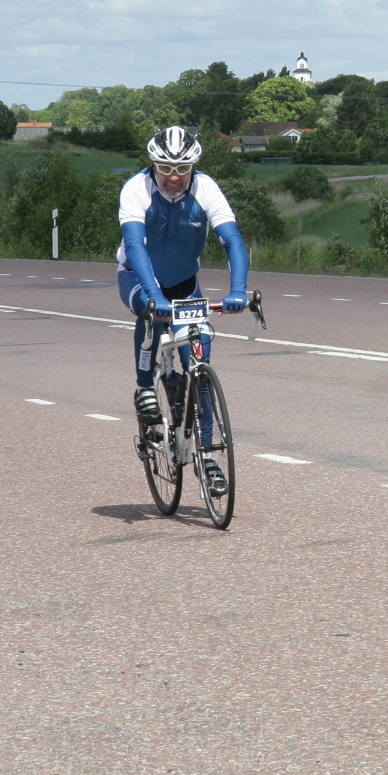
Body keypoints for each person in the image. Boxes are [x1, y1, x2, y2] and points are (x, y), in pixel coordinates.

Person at [117, 126, 250, 497]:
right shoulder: (136, 188)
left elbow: (232, 239)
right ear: (153, 164)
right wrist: (154, 294)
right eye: (165, 168)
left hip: (184, 284)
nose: (173, 177)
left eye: (182, 169)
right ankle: (145, 388)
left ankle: (206, 456)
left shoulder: (205, 188)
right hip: (138, 277)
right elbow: (135, 245)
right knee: (150, 311)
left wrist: (238, 291)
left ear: (193, 167)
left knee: (200, 360)